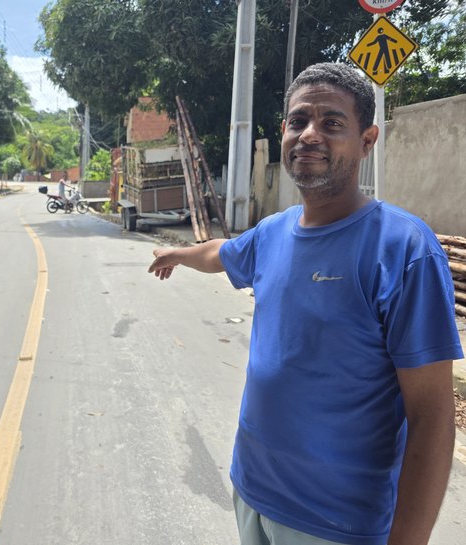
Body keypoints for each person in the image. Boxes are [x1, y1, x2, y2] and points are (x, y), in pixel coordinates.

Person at [148, 63, 461, 545]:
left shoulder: (404, 249)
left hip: (336, 524)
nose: (310, 134)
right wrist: (179, 255)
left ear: (367, 140)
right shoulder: (273, 231)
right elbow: (221, 254)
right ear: (284, 133)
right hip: (252, 492)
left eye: (332, 122)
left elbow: (432, 418)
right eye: (299, 121)